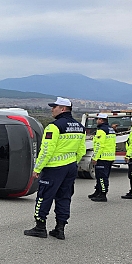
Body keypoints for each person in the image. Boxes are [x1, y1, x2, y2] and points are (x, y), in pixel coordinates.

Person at [24, 97, 86, 240]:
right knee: (64, 197)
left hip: (53, 168)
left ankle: (40, 227)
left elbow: (46, 150)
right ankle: (60, 228)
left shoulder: (54, 126)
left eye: (55, 107)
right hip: (70, 167)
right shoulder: (79, 127)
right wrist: (71, 163)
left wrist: (38, 168)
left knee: (44, 196)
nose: (52, 109)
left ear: (63, 109)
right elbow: (81, 150)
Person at [88, 113, 116, 202]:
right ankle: (98, 191)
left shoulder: (101, 130)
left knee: (101, 177)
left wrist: (95, 158)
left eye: (98, 119)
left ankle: (103, 194)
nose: (97, 121)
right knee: (102, 176)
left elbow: (99, 145)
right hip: (109, 157)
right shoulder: (111, 129)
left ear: (101, 120)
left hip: (102, 157)